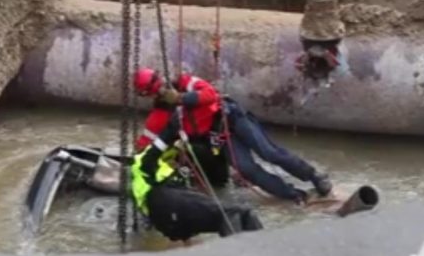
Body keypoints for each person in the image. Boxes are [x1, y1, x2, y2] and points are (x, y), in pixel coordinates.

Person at [133, 68, 333, 204]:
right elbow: (149, 144)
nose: (159, 89)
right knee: (247, 169)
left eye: (157, 83)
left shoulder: (184, 82)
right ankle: (292, 195)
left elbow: (209, 94)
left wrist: (182, 98)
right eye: (153, 88)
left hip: (232, 119)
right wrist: (137, 161)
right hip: (221, 137)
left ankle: (314, 176)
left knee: (268, 152)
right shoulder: (161, 117)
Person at [131, 142, 263, 242]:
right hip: (165, 200)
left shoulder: (172, 166)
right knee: (229, 213)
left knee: (244, 212)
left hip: (171, 205)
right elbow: (161, 145)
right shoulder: (148, 161)